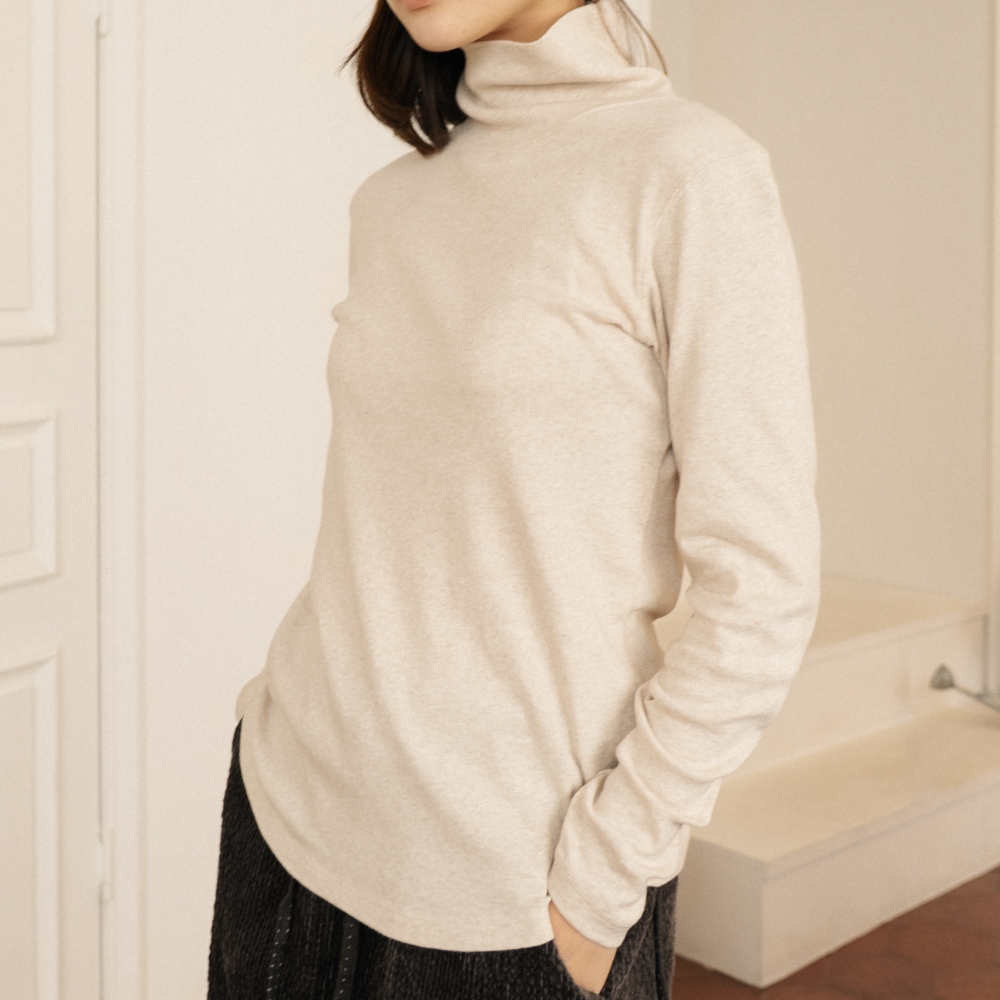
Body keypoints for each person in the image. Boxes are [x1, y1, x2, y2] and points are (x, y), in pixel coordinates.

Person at [207, 0, 822, 997]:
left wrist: (602, 879)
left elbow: (764, 585)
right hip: (289, 828)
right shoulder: (390, 203)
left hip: (513, 897)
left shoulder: (689, 174)